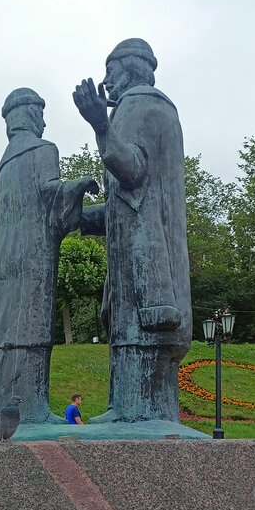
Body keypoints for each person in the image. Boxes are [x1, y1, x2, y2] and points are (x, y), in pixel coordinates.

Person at [73, 39, 192, 423]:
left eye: (111, 71)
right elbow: (129, 199)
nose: (106, 81)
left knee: (138, 334)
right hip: (140, 246)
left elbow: (133, 171)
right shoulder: (148, 105)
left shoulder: (140, 103)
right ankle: (127, 409)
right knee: (129, 335)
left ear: (132, 68)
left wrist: (100, 125)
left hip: (147, 254)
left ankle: (136, 415)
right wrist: (78, 216)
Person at [0, 88, 98, 431]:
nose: (44, 120)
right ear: (26, 114)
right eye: (39, 112)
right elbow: (51, 197)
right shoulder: (43, 150)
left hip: (4, 259)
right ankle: (31, 408)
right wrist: (80, 185)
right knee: (31, 327)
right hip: (31, 257)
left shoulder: (5, 163)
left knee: (6, 330)